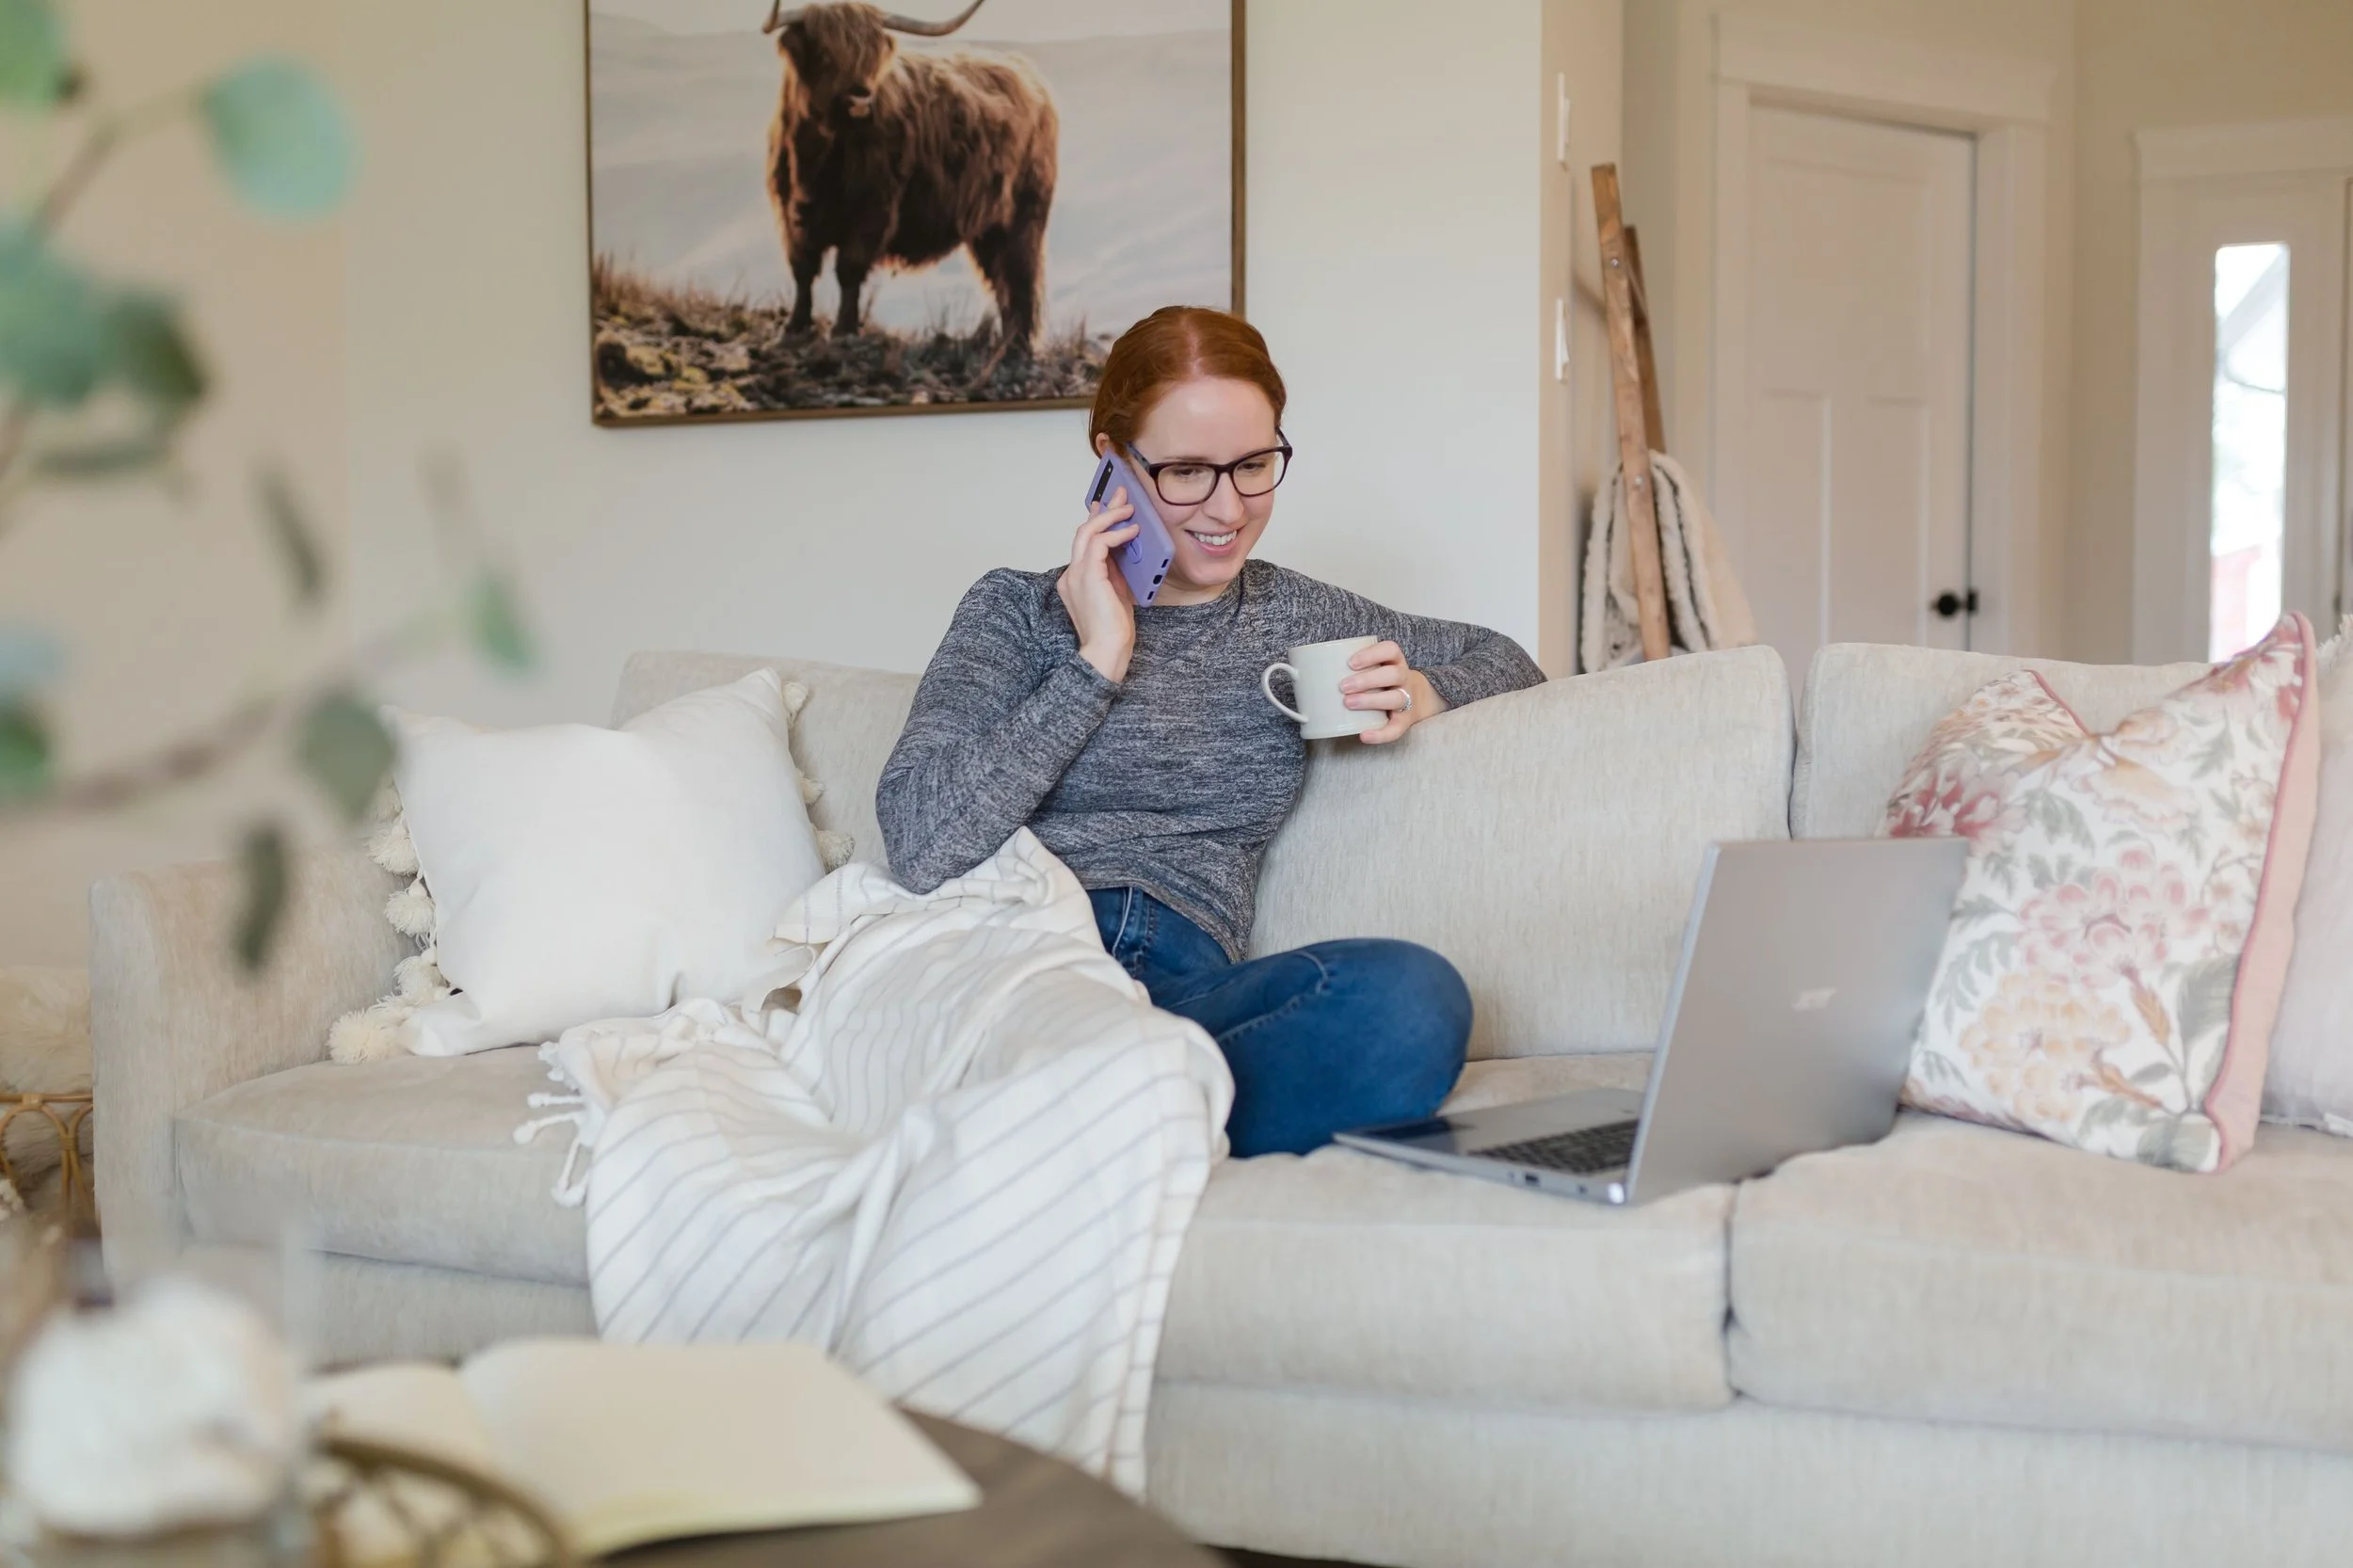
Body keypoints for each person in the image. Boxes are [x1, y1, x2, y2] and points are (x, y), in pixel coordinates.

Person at [875, 306, 1545, 1155]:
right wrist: (1099, 657)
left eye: (1255, 465)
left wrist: (1420, 691)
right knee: (1084, 1058)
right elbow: (920, 841)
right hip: (1000, 969)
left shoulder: (1292, 614)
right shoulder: (1012, 612)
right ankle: (1105, 1124)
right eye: (1187, 471)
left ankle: (1066, 1130)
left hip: (1177, 998)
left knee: (1413, 1001)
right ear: (1111, 461)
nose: (1228, 507)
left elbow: (1507, 659)